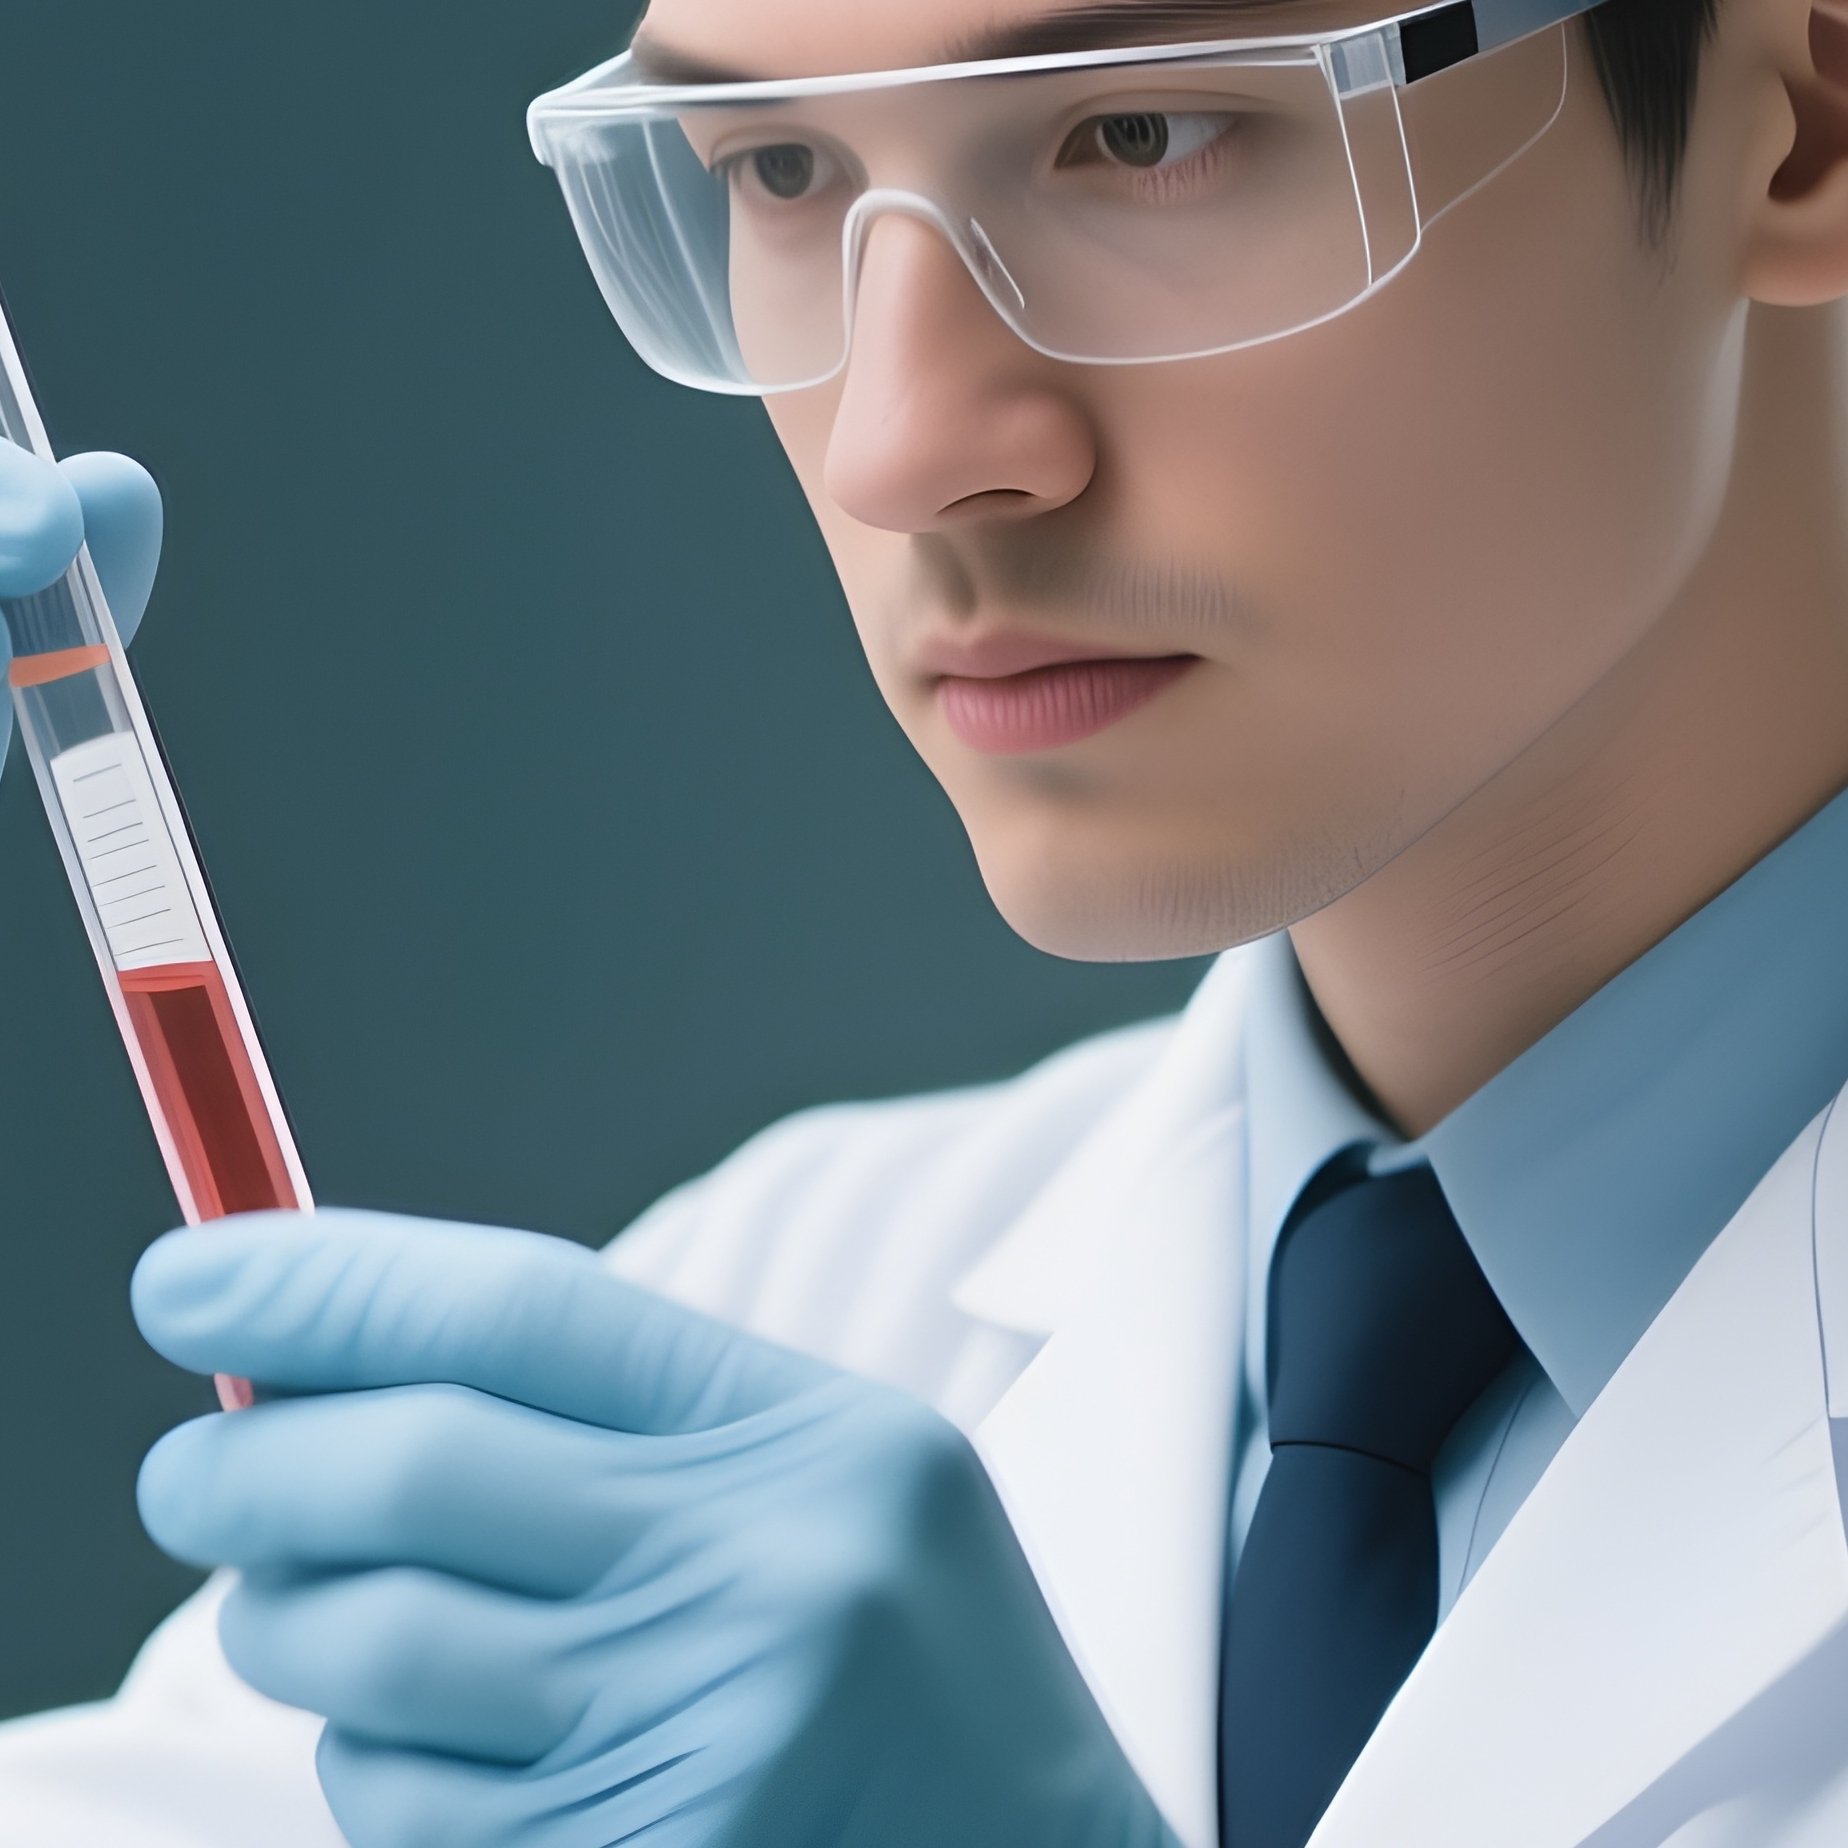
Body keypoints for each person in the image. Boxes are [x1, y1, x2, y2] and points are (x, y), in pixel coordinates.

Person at [2, 0, 1848, 1840]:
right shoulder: (788, 1312)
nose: (903, 447)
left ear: (1804, 116)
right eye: (782, 169)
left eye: (1141, 134)